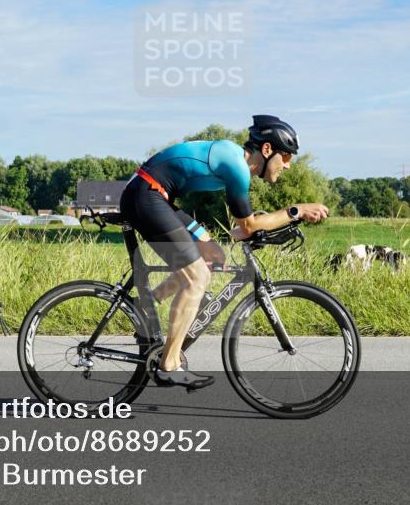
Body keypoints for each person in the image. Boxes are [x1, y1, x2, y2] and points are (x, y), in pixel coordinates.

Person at [119, 115, 330, 390]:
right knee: (197, 278)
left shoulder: (234, 164)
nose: (287, 166)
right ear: (266, 150)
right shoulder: (236, 166)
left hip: (155, 195)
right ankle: (168, 365)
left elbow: (243, 227)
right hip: (146, 195)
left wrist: (254, 227)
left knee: (213, 255)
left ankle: (143, 305)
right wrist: (296, 211)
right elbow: (250, 224)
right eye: (286, 157)